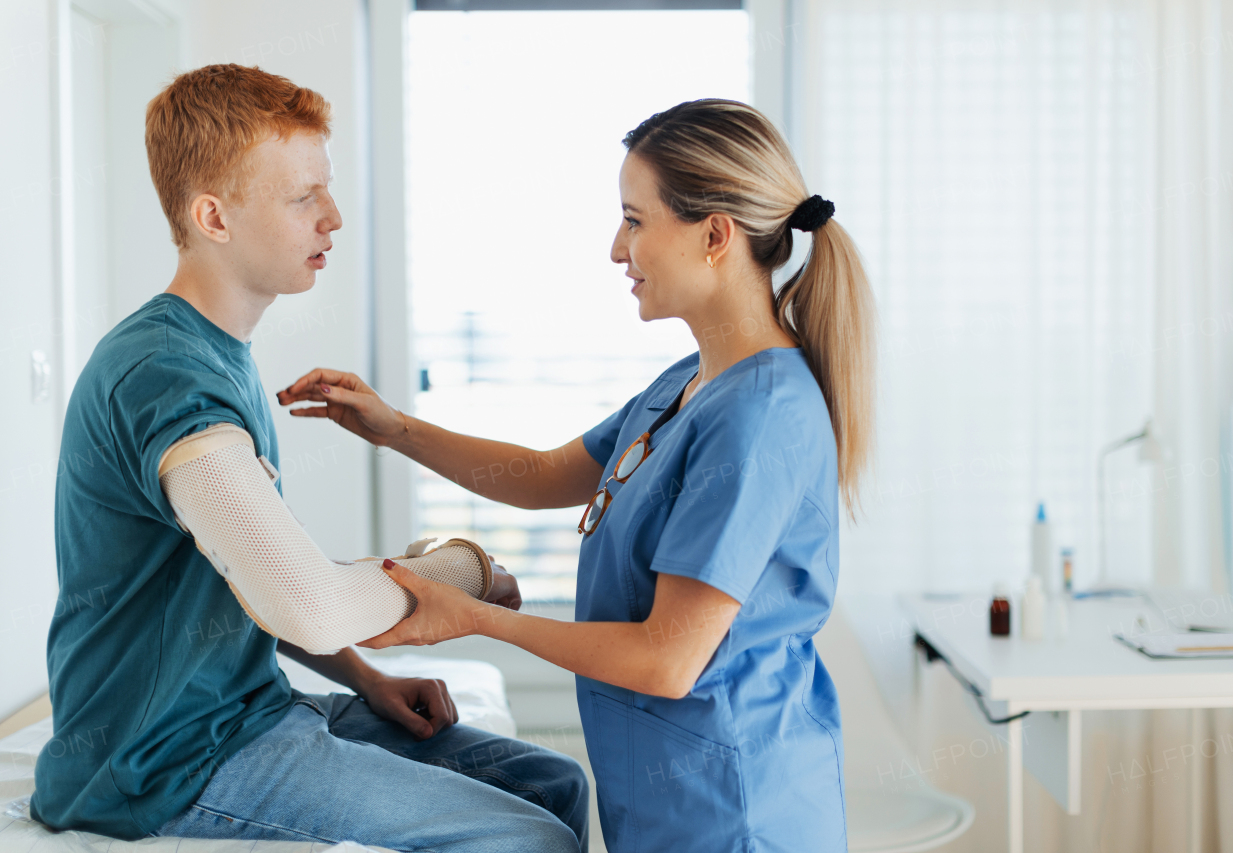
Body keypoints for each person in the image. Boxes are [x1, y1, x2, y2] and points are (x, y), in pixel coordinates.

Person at [278, 98, 876, 852]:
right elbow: (542, 474)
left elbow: (667, 658)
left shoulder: (761, 417)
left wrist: (476, 617)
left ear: (715, 235)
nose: (617, 250)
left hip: (736, 809)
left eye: (635, 220)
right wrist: (395, 428)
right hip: (667, 794)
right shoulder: (691, 381)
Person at [32, 64, 587, 853]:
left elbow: (257, 577)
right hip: (159, 763)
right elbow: (310, 600)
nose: (331, 217)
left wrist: (369, 679)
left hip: (247, 709)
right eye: (302, 198)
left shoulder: (219, 352)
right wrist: (466, 569)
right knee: (533, 837)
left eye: (325, 190)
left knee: (554, 784)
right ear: (213, 216)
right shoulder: (165, 372)